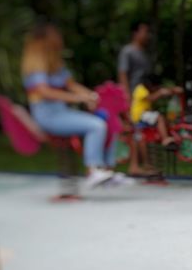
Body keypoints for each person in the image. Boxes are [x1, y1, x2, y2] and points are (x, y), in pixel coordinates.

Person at [21, 22, 121, 197]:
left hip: (62, 114)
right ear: (44, 41)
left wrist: (92, 96)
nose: (59, 40)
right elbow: (45, 92)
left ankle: (106, 169)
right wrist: (79, 98)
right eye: (55, 37)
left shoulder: (55, 65)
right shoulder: (36, 66)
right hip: (48, 117)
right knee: (96, 126)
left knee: (108, 121)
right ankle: (93, 170)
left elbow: (72, 85)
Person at [118, 20, 154, 177]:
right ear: (135, 33)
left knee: (142, 130)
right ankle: (135, 165)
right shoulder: (128, 51)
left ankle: (142, 164)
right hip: (133, 97)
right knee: (135, 131)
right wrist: (126, 98)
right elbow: (123, 74)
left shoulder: (144, 53)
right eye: (144, 31)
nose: (147, 35)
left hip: (143, 98)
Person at [129, 74, 182, 176]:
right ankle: (165, 139)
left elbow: (162, 90)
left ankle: (148, 164)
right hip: (139, 115)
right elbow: (150, 99)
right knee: (159, 117)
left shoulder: (147, 89)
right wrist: (161, 93)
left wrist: (173, 90)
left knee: (159, 122)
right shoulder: (140, 89)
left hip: (142, 116)